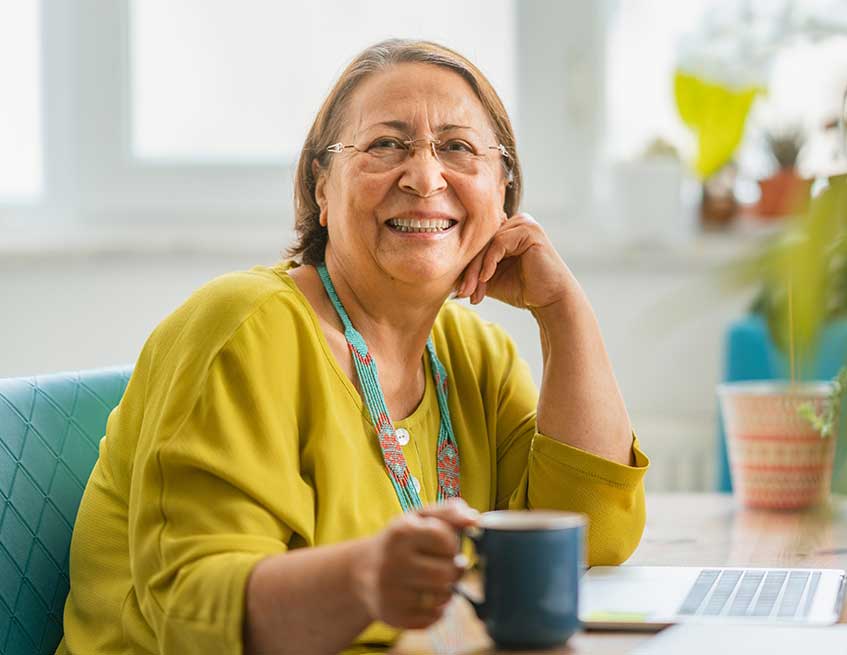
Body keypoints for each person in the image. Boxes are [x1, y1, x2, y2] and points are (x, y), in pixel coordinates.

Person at [57, 39, 648, 655]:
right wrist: (364, 580)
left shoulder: (474, 355)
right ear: (321, 185)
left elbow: (590, 538)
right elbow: (192, 612)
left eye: (458, 148)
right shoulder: (244, 326)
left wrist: (564, 313)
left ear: (502, 191)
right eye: (385, 145)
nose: (424, 177)